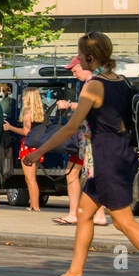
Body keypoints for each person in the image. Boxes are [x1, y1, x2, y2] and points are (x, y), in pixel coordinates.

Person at [23, 32, 139, 276]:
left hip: (107, 161)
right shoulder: (122, 82)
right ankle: (75, 273)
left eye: (80, 55)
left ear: (90, 57)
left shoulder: (93, 86)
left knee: (124, 222)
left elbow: (70, 127)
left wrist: (38, 151)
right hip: (119, 156)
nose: (78, 60)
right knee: (83, 213)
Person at [55, 56, 109, 227]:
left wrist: (69, 105)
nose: (73, 73)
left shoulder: (92, 83)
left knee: (80, 174)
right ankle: (91, 214)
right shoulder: (98, 81)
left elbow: (91, 105)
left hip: (90, 137)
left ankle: (81, 214)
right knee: (82, 174)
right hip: (89, 136)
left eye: (74, 69)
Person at [2, 86, 46, 211]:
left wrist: (10, 128)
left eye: (24, 95)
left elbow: (26, 131)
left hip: (28, 146)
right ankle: (33, 204)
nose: (22, 97)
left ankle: (35, 205)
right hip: (37, 146)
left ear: (29, 97)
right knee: (32, 177)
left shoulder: (27, 112)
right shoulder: (39, 112)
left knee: (30, 178)